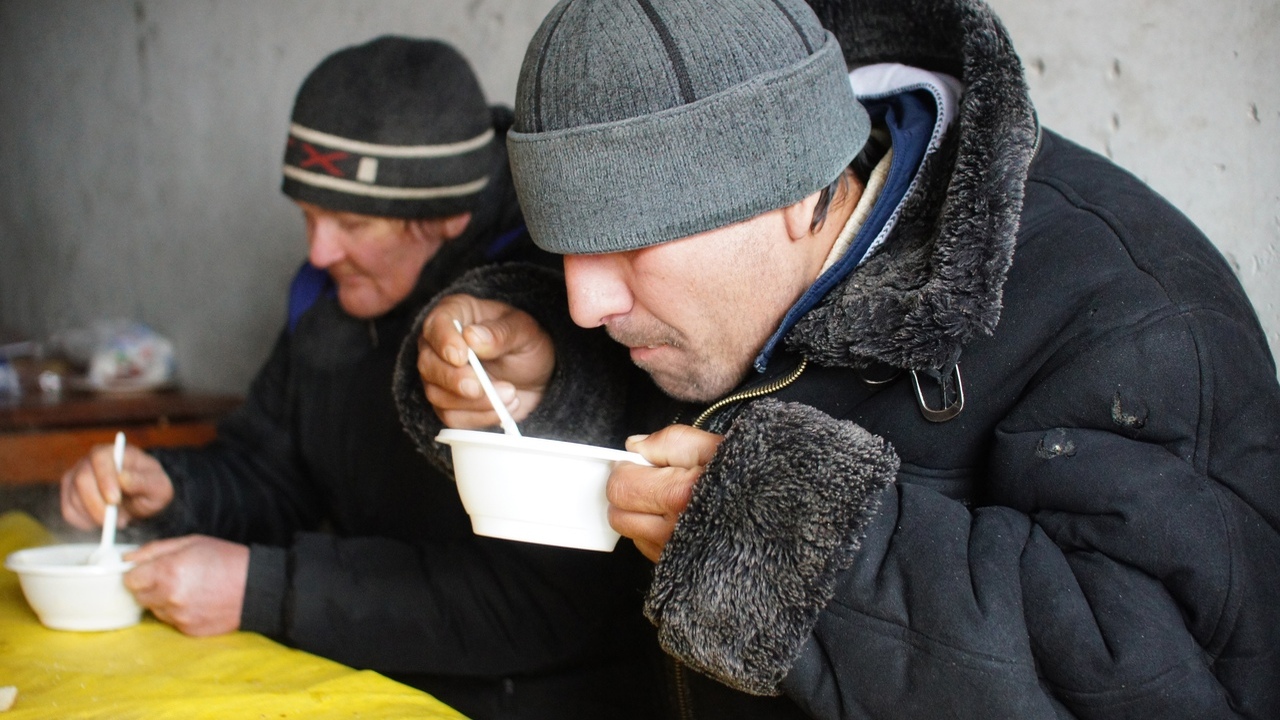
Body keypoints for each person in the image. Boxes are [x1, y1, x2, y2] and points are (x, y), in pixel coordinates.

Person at [395, 0, 1280, 718]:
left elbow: (1184, 686)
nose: (589, 302)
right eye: (567, 251)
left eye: (629, 246)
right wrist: (550, 373)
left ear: (791, 188)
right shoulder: (738, 253)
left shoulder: (1137, 319)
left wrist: (804, 548)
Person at [60, 36, 658, 720]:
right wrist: (169, 489)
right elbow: (271, 468)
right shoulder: (331, 295)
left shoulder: (541, 318)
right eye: (309, 215)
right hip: (362, 687)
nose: (318, 250)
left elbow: (534, 607)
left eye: (351, 222)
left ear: (446, 217)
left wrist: (263, 591)